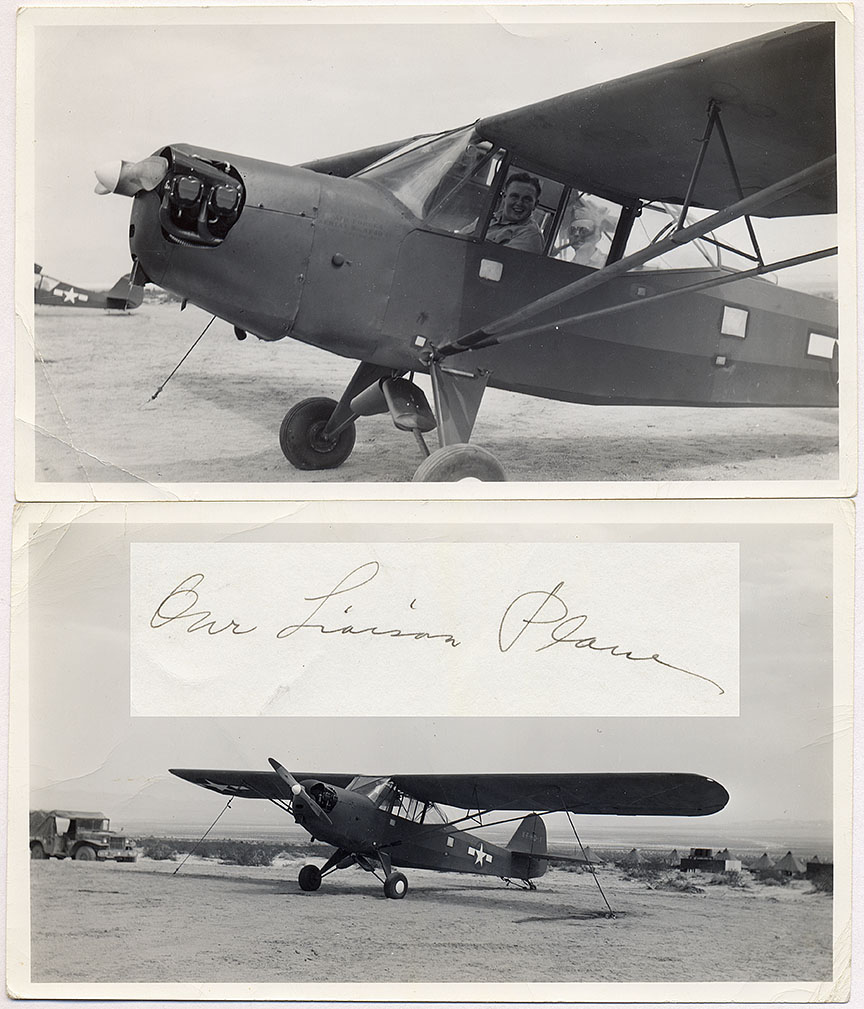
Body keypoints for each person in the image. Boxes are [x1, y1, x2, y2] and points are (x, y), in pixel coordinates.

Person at [486, 173, 544, 253]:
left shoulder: (530, 235)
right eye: (514, 196)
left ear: (535, 205)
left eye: (527, 199)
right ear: (504, 197)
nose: (519, 203)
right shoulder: (487, 219)